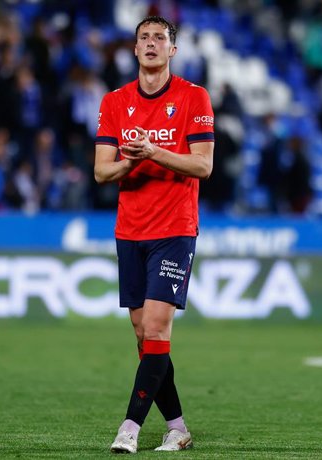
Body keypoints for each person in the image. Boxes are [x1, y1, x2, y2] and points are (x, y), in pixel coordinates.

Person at [93, 16, 214, 454]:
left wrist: (155, 150)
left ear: (172, 50)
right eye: (143, 37)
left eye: (159, 38)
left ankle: (129, 428)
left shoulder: (193, 97)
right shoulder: (114, 102)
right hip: (131, 231)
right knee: (145, 336)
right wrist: (133, 160)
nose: (150, 43)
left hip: (175, 230)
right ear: (134, 48)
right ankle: (178, 428)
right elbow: (101, 170)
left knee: (159, 324)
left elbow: (203, 165)